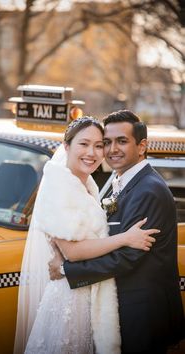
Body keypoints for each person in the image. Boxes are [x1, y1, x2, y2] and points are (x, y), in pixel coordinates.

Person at [14, 116, 158, 354]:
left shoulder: (88, 184)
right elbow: (72, 250)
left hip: (91, 291)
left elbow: (97, 229)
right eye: (84, 144)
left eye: (99, 145)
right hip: (71, 297)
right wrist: (125, 238)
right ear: (67, 146)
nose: (92, 152)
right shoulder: (57, 185)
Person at [49, 110, 185, 354]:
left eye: (121, 141)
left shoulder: (148, 190)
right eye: (107, 142)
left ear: (141, 146)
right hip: (122, 307)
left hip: (142, 312)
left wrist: (66, 270)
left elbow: (128, 256)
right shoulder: (121, 181)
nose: (112, 149)